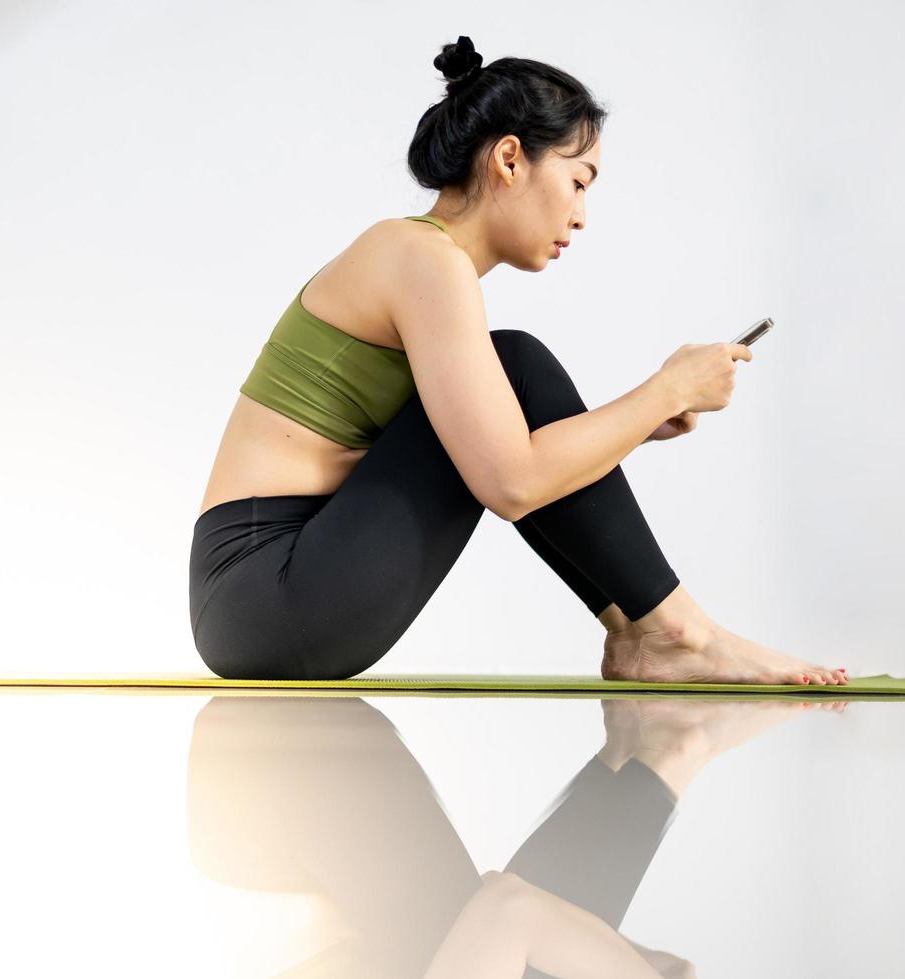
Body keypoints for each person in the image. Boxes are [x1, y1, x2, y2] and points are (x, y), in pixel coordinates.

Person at [189, 35, 849, 687]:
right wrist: (666, 389)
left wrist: (641, 417)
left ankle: (636, 633)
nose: (581, 216)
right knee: (516, 365)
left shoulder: (420, 262)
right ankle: (679, 633)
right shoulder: (421, 259)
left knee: (512, 378)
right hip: (267, 593)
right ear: (509, 159)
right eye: (577, 181)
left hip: (269, 597)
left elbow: (498, 452)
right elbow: (511, 483)